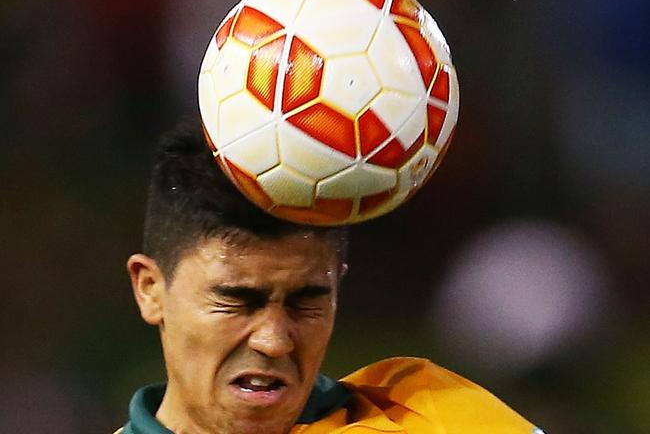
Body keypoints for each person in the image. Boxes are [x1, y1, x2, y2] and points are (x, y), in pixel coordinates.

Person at [114, 120, 544, 433]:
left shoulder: (427, 415)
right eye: (237, 301)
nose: (274, 340)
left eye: (306, 301)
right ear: (150, 289)